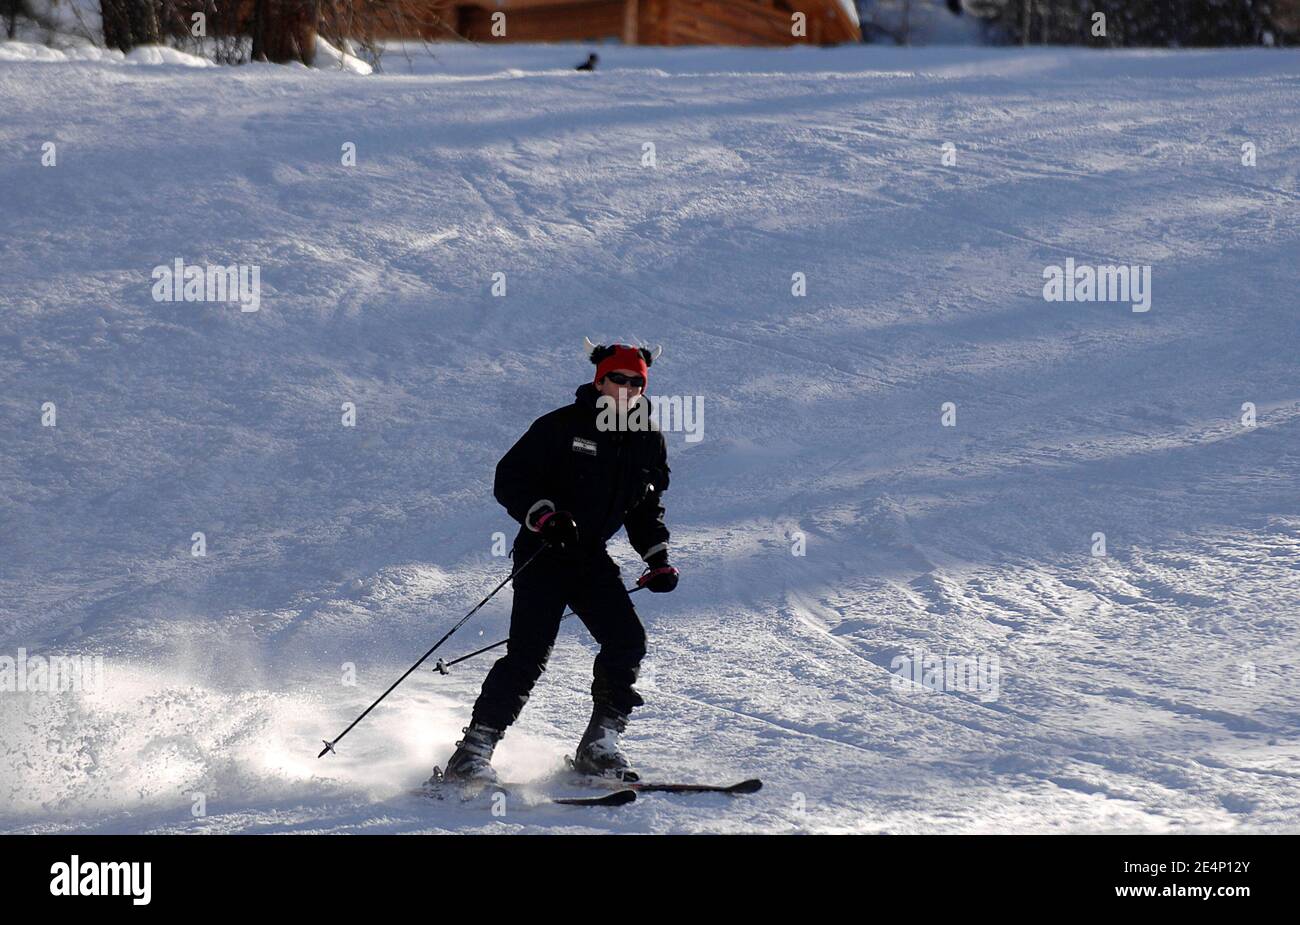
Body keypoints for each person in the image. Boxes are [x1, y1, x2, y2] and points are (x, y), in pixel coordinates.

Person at [441, 340, 679, 783]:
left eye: (636, 383)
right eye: (618, 379)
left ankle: (599, 747)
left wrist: (656, 557)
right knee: (528, 656)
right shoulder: (561, 426)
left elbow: (646, 508)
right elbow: (510, 478)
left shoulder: (647, 440)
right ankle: (472, 753)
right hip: (544, 555)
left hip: (590, 559)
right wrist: (545, 516)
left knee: (626, 641)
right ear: (600, 379)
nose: (627, 389)